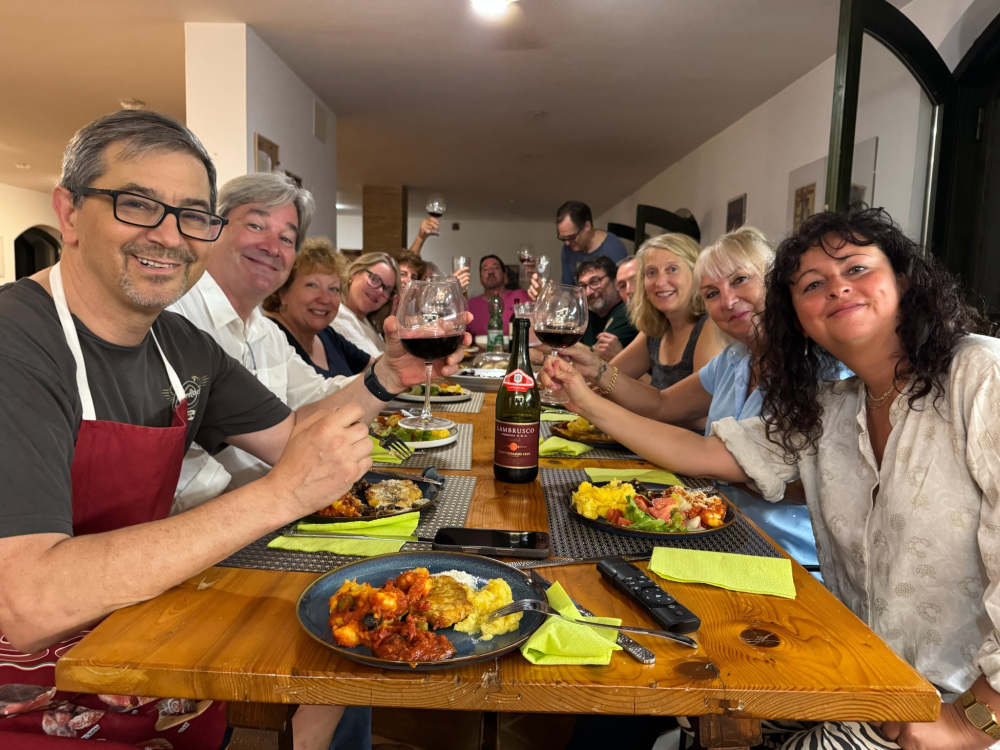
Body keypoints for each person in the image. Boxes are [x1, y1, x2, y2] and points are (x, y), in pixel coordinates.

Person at [545, 206, 1000, 750]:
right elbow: (704, 453)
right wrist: (584, 399)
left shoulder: (981, 375)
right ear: (796, 314)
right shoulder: (834, 408)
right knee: (672, 685)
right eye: (813, 283)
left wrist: (971, 723)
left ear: (903, 279)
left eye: (856, 269)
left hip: (948, 706)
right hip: (860, 674)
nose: (836, 289)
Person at [545, 227, 821, 568]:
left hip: (783, 553)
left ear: (774, 279)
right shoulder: (735, 359)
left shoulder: (815, 366)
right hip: (715, 529)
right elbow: (662, 405)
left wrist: (586, 401)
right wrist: (594, 370)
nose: (727, 300)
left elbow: (810, 485)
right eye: (712, 293)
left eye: (740, 280)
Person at [263, 236, 372, 379]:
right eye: (312, 285)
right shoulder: (267, 337)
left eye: (333, 289)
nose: (325, 299)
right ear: (283, 292)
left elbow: (375, 369)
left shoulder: (326, 334)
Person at [332, 252, 400, 357]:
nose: (380, 291)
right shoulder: (335, 316)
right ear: (355, 272)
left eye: (387, 289)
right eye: (374, 279)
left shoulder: (368, 325)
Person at [576, 255, 639, 358]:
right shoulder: (587, 314)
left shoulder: (628, 310)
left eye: (595, 282)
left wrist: (561, 348)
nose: (588, 292)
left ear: (615, 281)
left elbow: (599, 356)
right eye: (583, 286)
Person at [556, 200, 628, 285]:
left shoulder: (614, 248)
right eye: (563, 239)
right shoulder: (567, 249)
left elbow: (623, 290)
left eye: (571, 237)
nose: (567, 243)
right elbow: (568, 289)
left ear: (587, 226)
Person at [466, 254, 530, 338]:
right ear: (480, 279)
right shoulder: (470, 305)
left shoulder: (520, 297)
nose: (490, 272)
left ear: (505, 276)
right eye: (485, 269)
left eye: (495, 267)